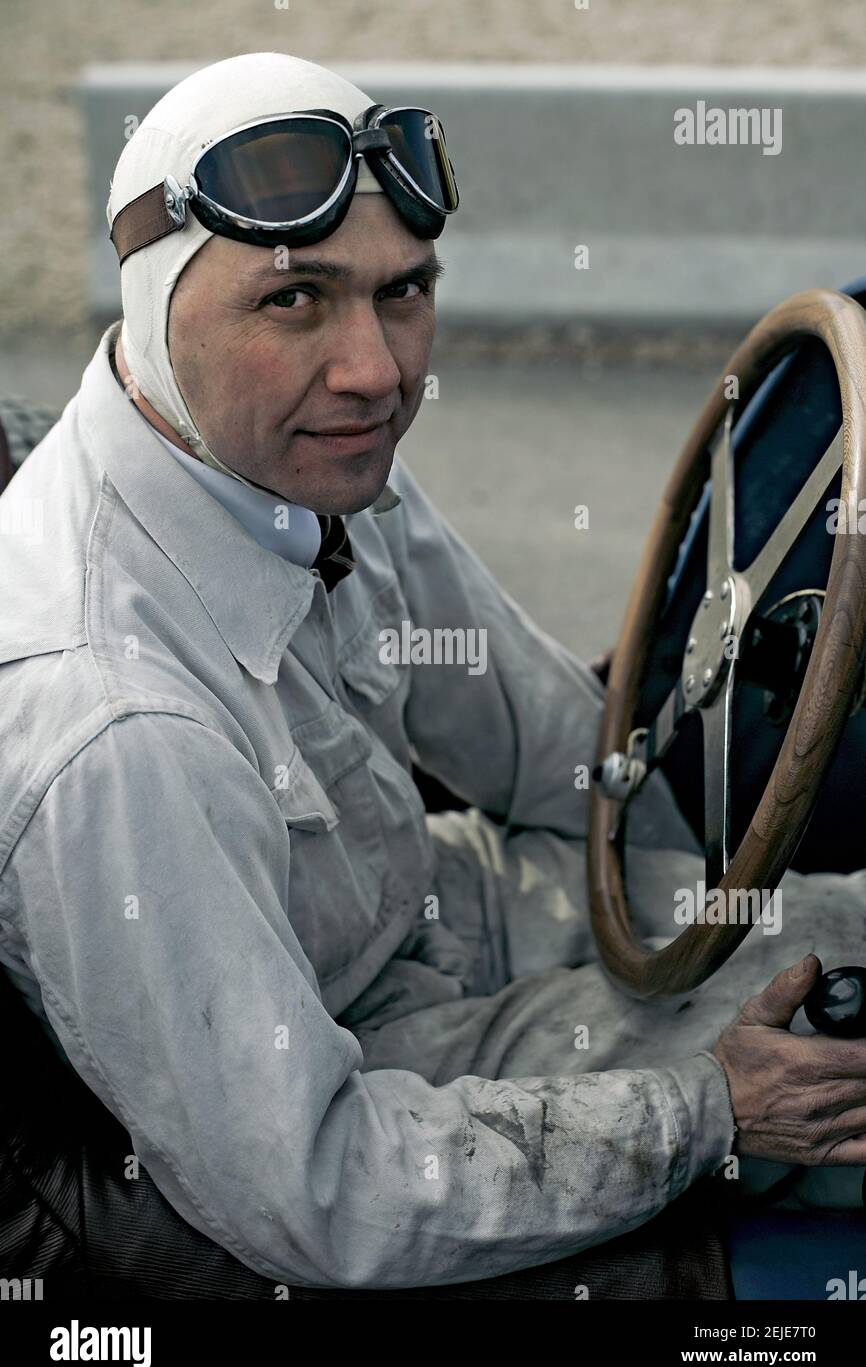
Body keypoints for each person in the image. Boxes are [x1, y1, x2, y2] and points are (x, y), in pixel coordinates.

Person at [2, 51, 866, 1293]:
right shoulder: (110, 727)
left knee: (833, 936)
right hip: (372, 1066)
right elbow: (320, 1187)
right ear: (152, 304)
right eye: (293, 300)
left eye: (401, 293)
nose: (376, 371)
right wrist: (710, 1108)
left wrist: (701, 911)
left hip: (443, 908)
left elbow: (553, 745)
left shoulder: (297, 452)